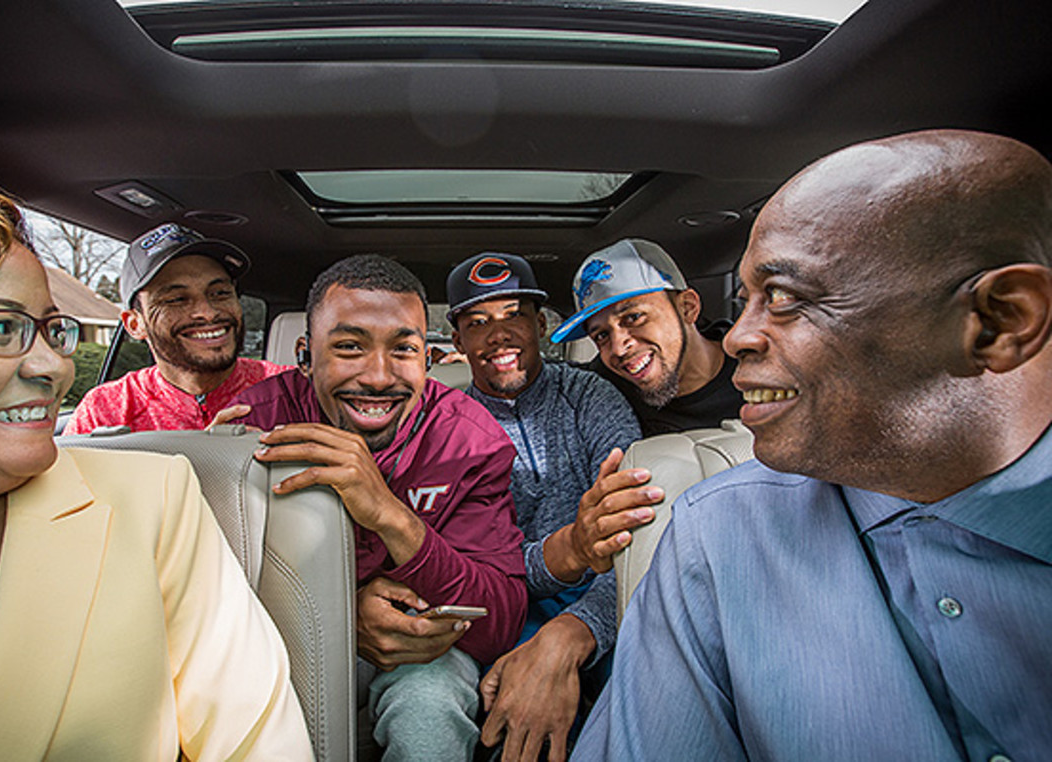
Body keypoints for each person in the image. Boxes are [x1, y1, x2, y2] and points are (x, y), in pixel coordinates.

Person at [572, 129, 1052, 761]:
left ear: (998, 321)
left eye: (785, 296)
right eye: (746, 300)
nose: (742, 337)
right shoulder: (712, 535)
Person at [0, 180, 312, 760]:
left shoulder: (280, 400)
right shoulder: (105, 410)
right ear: (135, 324)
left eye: (52, 330)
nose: (55, 367)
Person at [217, 254, 528, 761]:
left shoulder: (469, 441)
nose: (379, 377)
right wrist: (340, 614)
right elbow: (208, 597)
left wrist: (389, 514)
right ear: (305, 355)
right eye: (349, 347)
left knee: (428, 707)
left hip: (420, 647)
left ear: (427, 359)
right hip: (285, 636)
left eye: (403, 350)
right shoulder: (257, 423)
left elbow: (499, 620)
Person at [443, 252, 659, 762]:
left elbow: (631, 538)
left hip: (606, 598)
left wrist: (580, 629)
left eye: (513, 315)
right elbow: (477, 572)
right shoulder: (446, 426)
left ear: (540, 324)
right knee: (515, 717)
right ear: (457, 343)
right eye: (477, 323)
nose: (498, 335)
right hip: (501, 610)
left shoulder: (591, 397)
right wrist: (571, 552)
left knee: (646, 689)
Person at [64, 222, 288, 434]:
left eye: (220, 293)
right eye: (177, 299)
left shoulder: (292, 389)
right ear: (135, 324)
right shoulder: (104, 411)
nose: (208, 313)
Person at [550, 238, 741, 436]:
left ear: (687, 308)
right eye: (602, 335)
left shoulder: (758, 372)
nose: (618, 348)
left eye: (633, 318)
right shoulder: (605, 386)